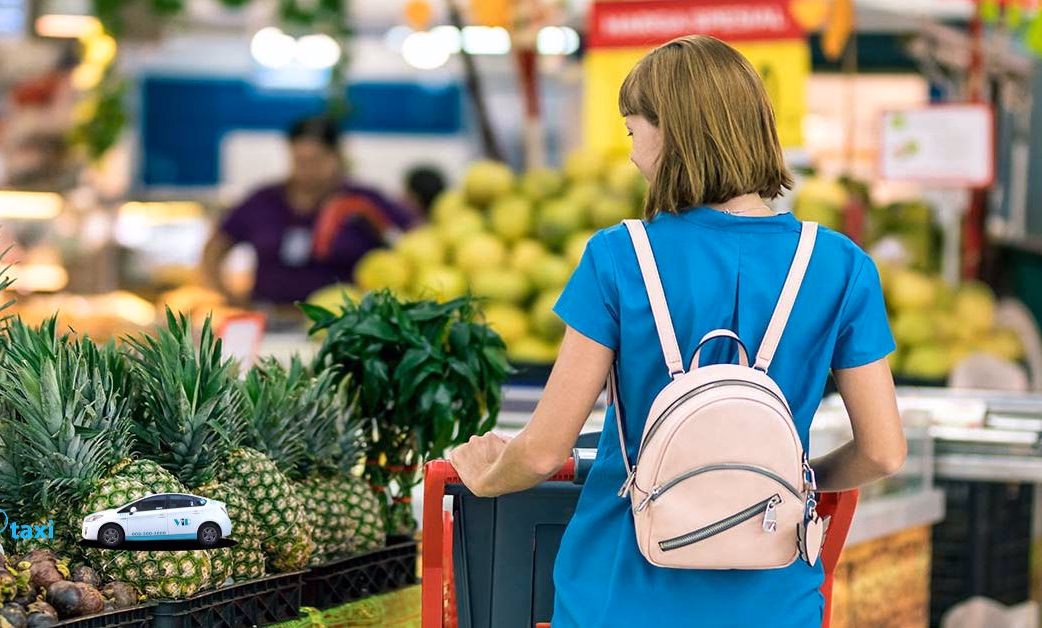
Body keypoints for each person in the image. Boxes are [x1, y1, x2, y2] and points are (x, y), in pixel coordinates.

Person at [449, 35, 906, 627]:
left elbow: (541, 451)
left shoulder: (619, 257)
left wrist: (485, 478)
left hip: (620, 590)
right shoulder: (840, 265)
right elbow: (883, 451)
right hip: (773, 596)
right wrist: (782, 483)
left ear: (672, 134)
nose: (634, 155)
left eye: (634, 131)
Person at [201, 116, 417, 304]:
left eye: (316, 160)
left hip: (344, 325)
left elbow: (415, 239)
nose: (307, 169)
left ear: (337, 156)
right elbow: (215, 248)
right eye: (299, 160)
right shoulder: (263, 200)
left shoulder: (364, 201)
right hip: (270, 318)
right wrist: (227, 296)